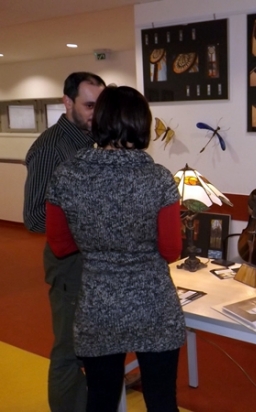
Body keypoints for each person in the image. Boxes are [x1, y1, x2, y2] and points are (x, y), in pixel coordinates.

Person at [45, 85, 186, 412]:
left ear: (99, 121)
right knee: (162, 401)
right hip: (153, 306)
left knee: (101, 400)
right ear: (142, 124)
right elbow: (170, 250)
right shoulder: (158, 179)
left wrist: (98, 242)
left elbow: (61, 246)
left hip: (98, 306)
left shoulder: (66, 176)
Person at [23, 72, 106, 412]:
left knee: (93, 345)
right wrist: (90, 223)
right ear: (67, 102)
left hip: (94, 262)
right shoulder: (50, 149)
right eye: (89, 105)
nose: (96, 113)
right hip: (69, 265)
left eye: (100, 106)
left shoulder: (90, 141)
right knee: (69, 352)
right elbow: (34, 217)